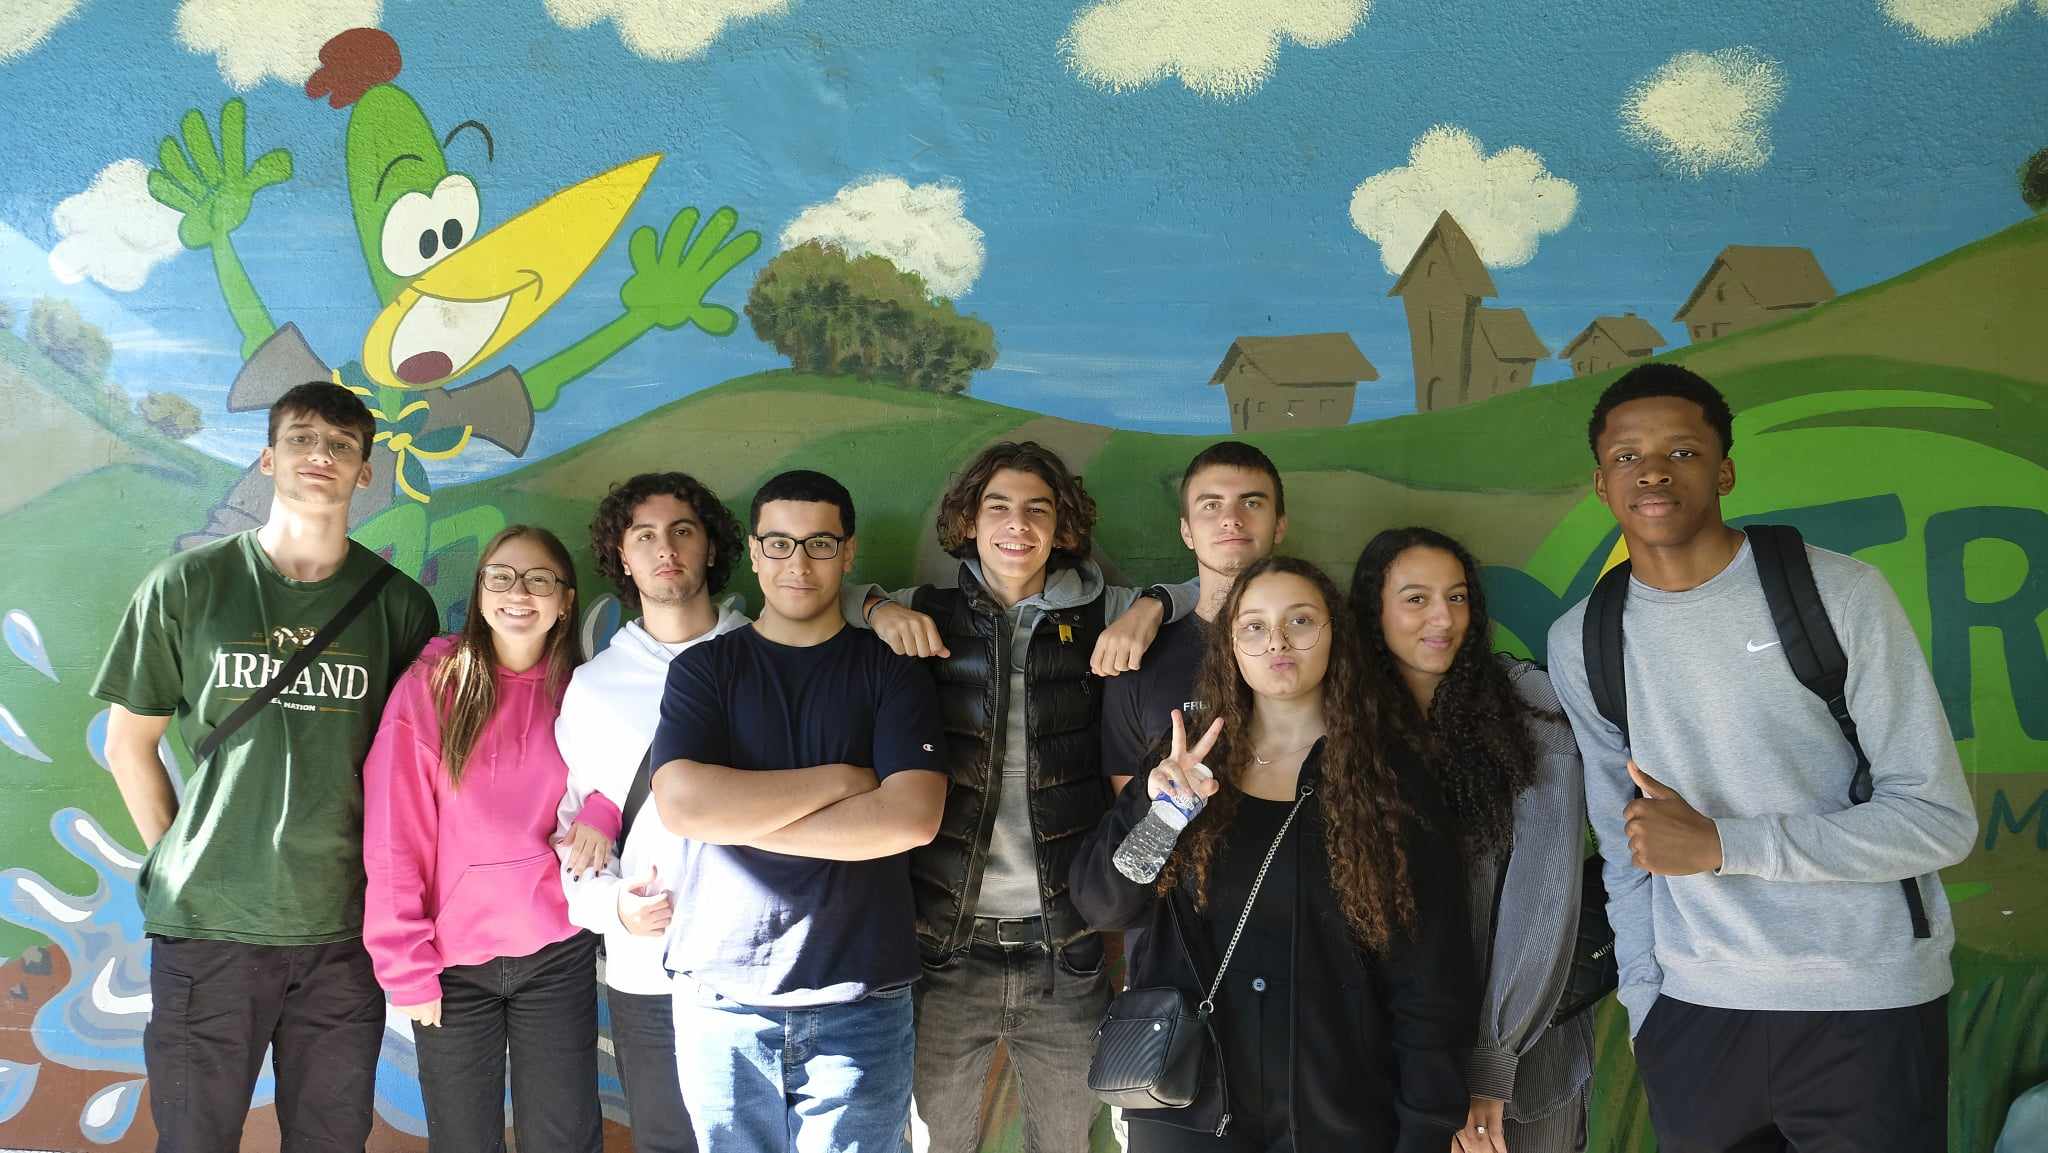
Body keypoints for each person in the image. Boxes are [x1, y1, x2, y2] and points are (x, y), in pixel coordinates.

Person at [1546, 364, 1977, 1153]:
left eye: (1682, 451)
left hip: (1867, 1002)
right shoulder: (1583, 639)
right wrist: (1648, 1003)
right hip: (1695, 1018)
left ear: (1725, 471)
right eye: (1627, 456)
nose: (1652, 470)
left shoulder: (1841, 594)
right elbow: (1624, 846)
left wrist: (1724, 843)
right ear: (1602, 484)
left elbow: (1939, 820)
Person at [92, 381, 438, 1153]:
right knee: (195, 1139)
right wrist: (183, 853)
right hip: (208, 929)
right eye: (301, 438)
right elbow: (128, 743)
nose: (320, 455)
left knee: (330, 1140)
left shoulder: (400, 607)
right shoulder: (187, 584)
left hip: (344, 933)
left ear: (365, 472)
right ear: (268, 458)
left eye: (340, 445)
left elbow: (413, 777)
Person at [846, 440, 1191, 1152]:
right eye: (997, 506)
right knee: (939, 1139)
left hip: (1065, 948)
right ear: (969, 520)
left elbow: (1209, 586)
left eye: (1038, 508)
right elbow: (828, 595)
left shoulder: (1103, 610)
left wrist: (1152, 606)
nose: (1017, 524)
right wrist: (878, 608)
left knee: (1065, 1140)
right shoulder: (928, 610)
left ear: (1062, 526)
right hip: (945, 948)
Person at [1072, 556, 1473, 1152]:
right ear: (1231, 646)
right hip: (1188, 1108)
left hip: (1335, 1111)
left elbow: (1431, 975)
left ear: (1335, 633)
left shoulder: (1391, 780)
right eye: (1254, 626)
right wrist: (1162, 817)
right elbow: (1105, 906)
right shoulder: (1186, 764)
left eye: (1300, 620)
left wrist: (1427, 1128)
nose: (1277, 641)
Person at [650, 469, 946, 1152]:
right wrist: (842, 780)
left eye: (819, 544)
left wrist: (740, 819)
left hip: (860, 998)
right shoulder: (703, 671)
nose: (798, 563)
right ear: (755, 553)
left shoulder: (893, 670)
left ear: (848, 553)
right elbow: (684, 805)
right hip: (721, 998)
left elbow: (910, 818)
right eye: (779, 544)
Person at [1352, 527, 1594, 1153]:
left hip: (1520, 1055)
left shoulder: (1527, 706)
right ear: (1373, 610)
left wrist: (1490, 1060)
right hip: (1394, 1060)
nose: (1443, 618)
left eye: (1457, 597)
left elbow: (1543, 893)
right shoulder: (1349, 723)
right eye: (1416, 599)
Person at [362, 525, 601, 1153]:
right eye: (501, 576)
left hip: (556, 951)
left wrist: (603, 812)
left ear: (565, 600)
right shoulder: (433, 685)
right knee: (464, 1139)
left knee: (564, 1137)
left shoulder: (584, 691)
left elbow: (621, 771)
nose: (517, 593)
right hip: (451, 965)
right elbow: (393, 833)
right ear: (480, 590)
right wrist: (406, 966)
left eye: (539, 579)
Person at [548, 473, 750, 1153]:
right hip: (649, 970)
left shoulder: (767, 659)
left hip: (761, 967)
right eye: (645, 536)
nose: (666, 549)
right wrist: (612, 907)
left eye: (682, 531)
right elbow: (571, 835)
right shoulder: (594, 686)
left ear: (711, 548)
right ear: (623, 557)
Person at [1102, 441, 1287, 797]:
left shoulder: (1320, 644)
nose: (1231, 518)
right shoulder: (1136, 657)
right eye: (1211, 505)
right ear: (1186, 532)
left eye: (1251, 503)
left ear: (1279, 525)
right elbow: (1128, 806)